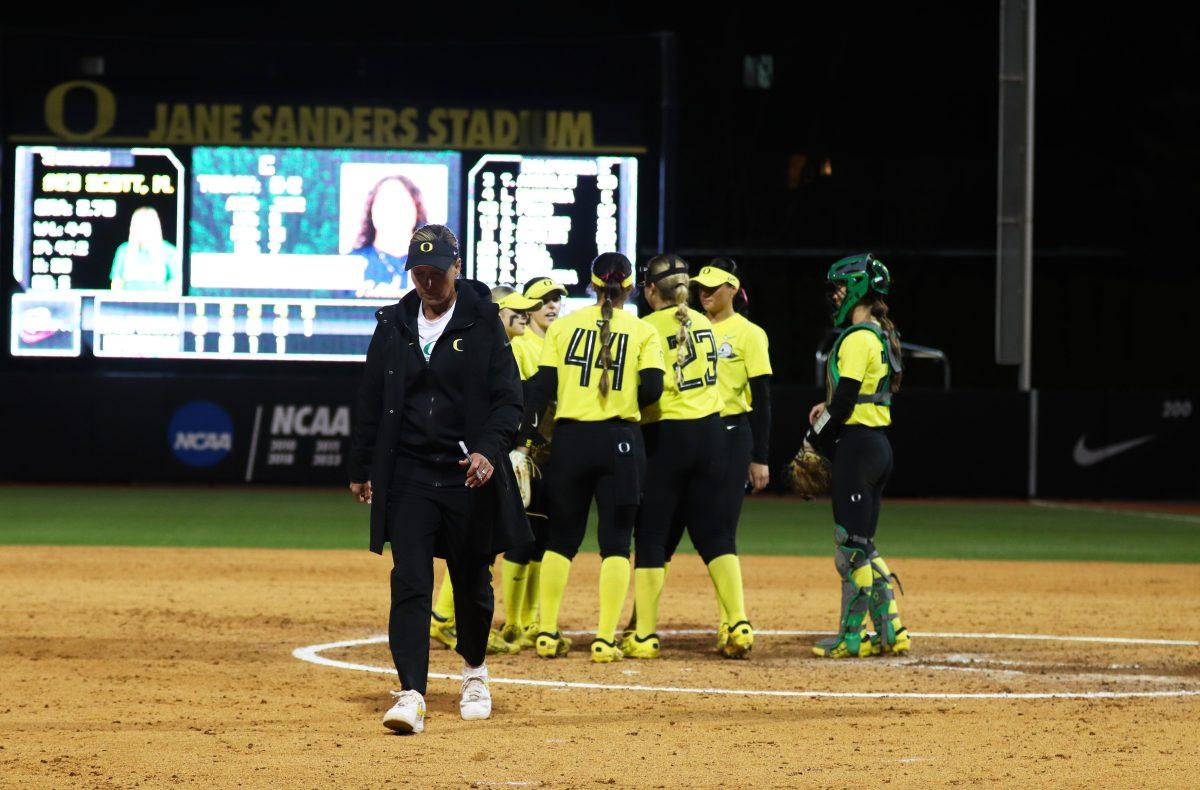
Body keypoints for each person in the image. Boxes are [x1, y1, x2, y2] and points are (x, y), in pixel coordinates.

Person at [348, 224, 530, 734]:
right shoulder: (393, 324)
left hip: (465, 476)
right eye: (419, 273)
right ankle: (411, 692)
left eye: (437, 274)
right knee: (410, 579)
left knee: (472, 581)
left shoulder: (484, 323)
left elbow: (508, 400)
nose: (428, 283)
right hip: (407, 474)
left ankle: (474, 671)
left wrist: (488, 452)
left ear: (458, 270)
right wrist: (361, 468)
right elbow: (370, 401)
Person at [520, 253, 664, 662]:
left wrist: (525, 438)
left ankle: (546, 632)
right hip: (620, 438)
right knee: (616, 544)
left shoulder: (563, 328)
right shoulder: (641, 331)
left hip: (571, 441)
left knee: (561, 540)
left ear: (591, 284)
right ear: (632, 287)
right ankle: (604, 639)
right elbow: (652, 389)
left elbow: (540, 388)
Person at [622, 254, 752, 660]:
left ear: (649, 291)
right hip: (712, 435)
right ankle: (740, 621)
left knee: (651, 536)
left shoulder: (646, 327)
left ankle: (643, 635)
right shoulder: (703, 323)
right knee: (715, 535)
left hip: (668, 435)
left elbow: (648, 390)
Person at [656, 257, 770, 656]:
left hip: (733, 434)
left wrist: (761, 456)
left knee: (722, 527)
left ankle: (730, 623)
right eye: (700, 287)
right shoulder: (689, 323)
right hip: (697, 434)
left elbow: (763, 401)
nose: (705, 293)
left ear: (733, 290)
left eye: (714, 287)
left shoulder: (749, 334)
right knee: (667, 529)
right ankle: (643, 617)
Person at [426, 285, 545, 656]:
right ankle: (445, 618)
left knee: (478, 543)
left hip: (494, 455)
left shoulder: (509, 346)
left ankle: (448, 617)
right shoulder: (507, 349)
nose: (524, 316)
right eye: (516, 310)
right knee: (474, 543)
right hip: (482, 459)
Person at [805, 253, 909, 659]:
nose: (836, 296)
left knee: (849, 548)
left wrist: (813, 438)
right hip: (877, 446)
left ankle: (852, 637)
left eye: (841, 288)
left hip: (858, 448)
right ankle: (891, 630)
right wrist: (825, 408)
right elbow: (854, 396)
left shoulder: (857, 337)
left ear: (861, 289)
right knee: (863, 546)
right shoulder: (880, 334)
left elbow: (846, 400)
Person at [353, 174, 428, 297]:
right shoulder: (351, 264)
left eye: (401, 202)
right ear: (371, 212)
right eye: (385, 202)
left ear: (417, 210)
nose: (393, 210)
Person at [110, 207, 181, 294]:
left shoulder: (169, 251)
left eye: (147, 225)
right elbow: (116, 284)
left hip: (159, 306)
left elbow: (174, 286)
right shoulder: (124, 251)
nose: (143, 229)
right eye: (139, 225)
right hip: (128, 306)